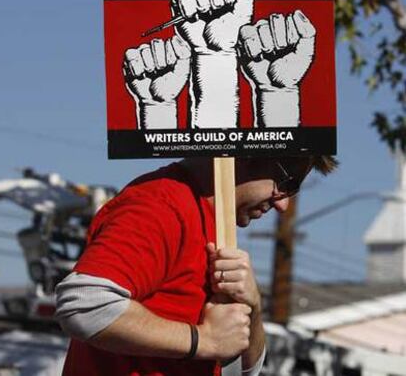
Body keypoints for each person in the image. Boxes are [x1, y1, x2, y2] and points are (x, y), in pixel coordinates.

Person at [55, 155, 337, 376]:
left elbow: (241, 369)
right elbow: (84, 303)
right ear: (247, 152)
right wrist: (203, 339)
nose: (283, 205)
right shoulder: (161, 204)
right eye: (286, 183)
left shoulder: (217, 224)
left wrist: (252, 308)